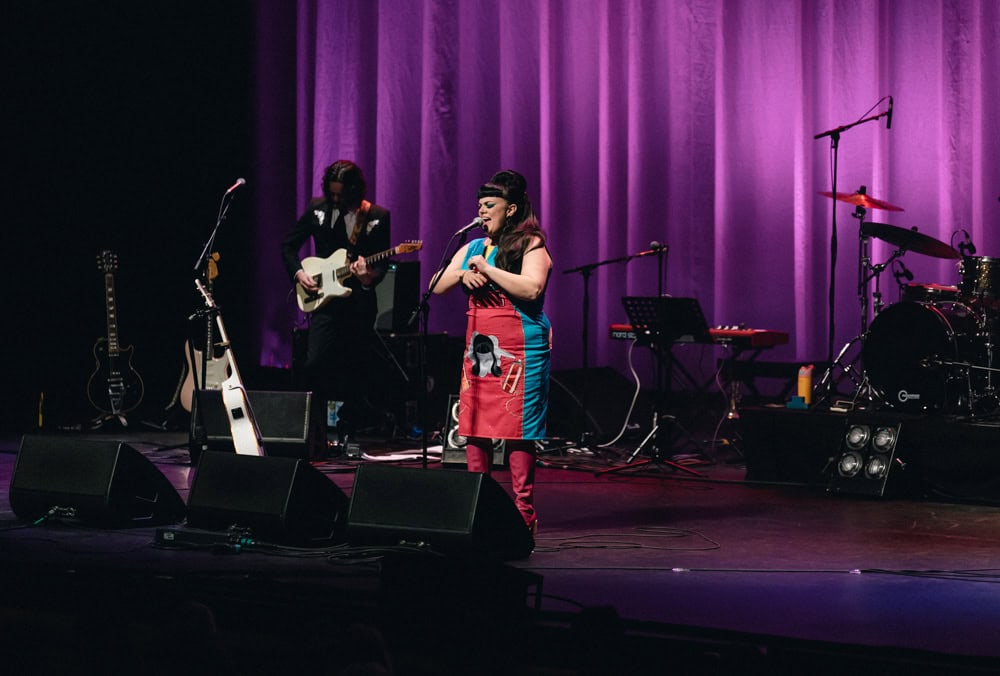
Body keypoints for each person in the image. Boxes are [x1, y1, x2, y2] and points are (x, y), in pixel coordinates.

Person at [432, 170, 552, 535]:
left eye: (489, 205)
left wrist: (487, 269)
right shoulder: (472, 247)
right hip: (480, 351)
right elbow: (436, 285)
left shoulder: (530, 243)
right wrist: (462, 275)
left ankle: (523, 513)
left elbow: (532, 288)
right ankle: (478, 505)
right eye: (479, 205)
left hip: (521, 349)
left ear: (510, 209)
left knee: (518, 429)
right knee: (475, 426)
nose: (481, 212)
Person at [280, 159, 391, 449]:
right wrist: (299, 273)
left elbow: (382, 264)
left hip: (358, 303)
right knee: (314, 363)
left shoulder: (377, 216)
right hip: (324, 302)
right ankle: (314, 429)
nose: (336, 199)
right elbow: (288, 245)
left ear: (355, 190)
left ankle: (347, 428)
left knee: (357, 367)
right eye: (332, 194)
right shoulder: (318, 209)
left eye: (341, 194)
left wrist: (368, 277)